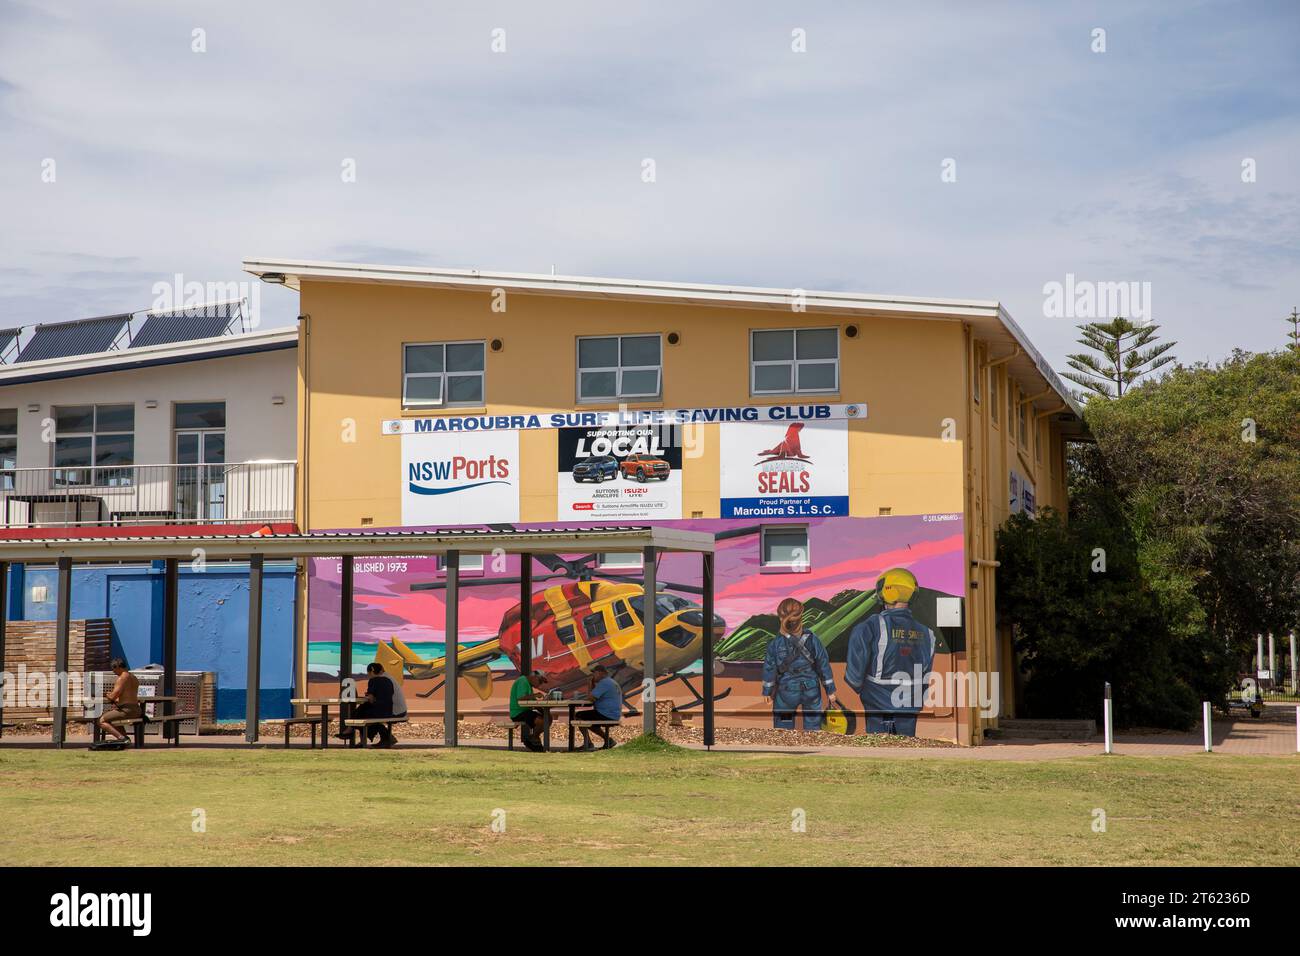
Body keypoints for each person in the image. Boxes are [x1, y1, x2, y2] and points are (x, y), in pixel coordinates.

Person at [845, 568, 936, 736]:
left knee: (879, 750)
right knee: (907, 749)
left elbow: (854, 676)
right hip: (910, 704)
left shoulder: (868, 627)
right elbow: (925, 677)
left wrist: (865, 690)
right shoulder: (928, 634)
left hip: (876, 705)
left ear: (887, 592)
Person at [761, 598, 837, 730]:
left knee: (784, 727)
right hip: (812, 690)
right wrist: (830, 691)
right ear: (801, 616)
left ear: (780, 618)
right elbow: (823, 665)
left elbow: (770, 669)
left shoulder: (775, 643)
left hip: (787, 691)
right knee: (813, 727)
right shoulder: (813, 639)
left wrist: (767, 692)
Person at [337, 662, 401, 747]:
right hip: (388, 711)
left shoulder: (373, 680)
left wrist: (370, 697)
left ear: (372, 671)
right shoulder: (388, 680)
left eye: (368, 673)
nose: (368, 675)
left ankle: (354, 732)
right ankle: (385, 737)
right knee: (361, 710)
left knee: (360, 713)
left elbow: (370, 699)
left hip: (378, 711)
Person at [574, 664, 622, 751]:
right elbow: (594, 696)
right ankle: (607, 740)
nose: (593, 676)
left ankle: (588, 743)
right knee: (585, 718)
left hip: (607, 714)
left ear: (600, 673)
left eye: (594, 673)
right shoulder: (610, 682)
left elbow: (591, 698)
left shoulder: (604, 683)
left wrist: (589, 684)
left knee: (578, 716)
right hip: (613, 714)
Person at [97, 658, 141, 746]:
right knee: (114, 719)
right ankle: (125, 738)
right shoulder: (133, 677)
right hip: (137, 709)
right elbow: (126, 695)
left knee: (101, 720)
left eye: (113, 669)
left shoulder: (122, 678)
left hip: (127, 710)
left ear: (118, 667)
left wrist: (106, 694)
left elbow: (113, 697)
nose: (113, 671)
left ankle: (122, 739)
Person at [508, 670, 549, 752]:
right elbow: (521, 698)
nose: (540, 684)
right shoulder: (522, 681)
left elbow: (532, 702)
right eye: (540, 681)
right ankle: (534, 738)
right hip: (518, 712)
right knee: (541, 721)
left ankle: (533, 738)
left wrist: (543, 711)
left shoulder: (528, 685)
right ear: (534, 677)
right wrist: (535, 695)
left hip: (526, 711)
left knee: (548, 718)